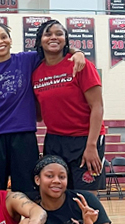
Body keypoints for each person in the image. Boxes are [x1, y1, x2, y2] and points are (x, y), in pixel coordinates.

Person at [0, 23, 85, 194]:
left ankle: (27, 221)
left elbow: (54, 47)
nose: (0, 42)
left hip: (24, 136)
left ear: (10, 39)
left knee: (27, 191)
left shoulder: (27, 59)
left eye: (3, 37)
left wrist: (78, 53)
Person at [32, 20, 105, 193]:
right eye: (48, 34)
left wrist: (91, 145)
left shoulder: (80, 65)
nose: (54, 37)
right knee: (57, 194)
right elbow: (39, 116)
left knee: (86, 197)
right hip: (55, 140)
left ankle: (91, 221)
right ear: (40, 40)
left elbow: (98, 107)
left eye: (59, 33)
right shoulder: (36, 72)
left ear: (66, 39)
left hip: (85, 139)